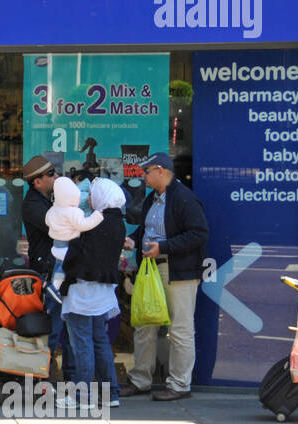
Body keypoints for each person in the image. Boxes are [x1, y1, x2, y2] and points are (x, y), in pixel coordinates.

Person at [121, 152, 208, 401]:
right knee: (144, 324)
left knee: (180, 329)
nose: (143, 176)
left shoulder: (184, 199)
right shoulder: (153, 199)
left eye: (147, 172)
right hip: (152, 268)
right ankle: (141, 380)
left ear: (161, 171)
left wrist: (164, 247)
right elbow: (147, 230)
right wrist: (134, 240)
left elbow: (199, 233)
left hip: (177, 270)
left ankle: (180, 384)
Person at [59, 178, 127, 409]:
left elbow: (75, 255)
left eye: (92, 193)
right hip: (103, 291)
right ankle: (111, 393)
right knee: (100, 341)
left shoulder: (94, 222)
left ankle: (81, 395)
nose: (89, 197)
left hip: (82, 290)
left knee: (82, 344)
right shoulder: (118, 222)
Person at [21, 154, 69, 376]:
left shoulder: (46, 200)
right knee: (50, 331)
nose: (56, 176)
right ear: (37, 181)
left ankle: (67, 376)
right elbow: (57, 226)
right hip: (48, 275)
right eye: (51, 174)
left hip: (58, 272)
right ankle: (41, 379)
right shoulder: (33, 205)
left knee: (66, 330)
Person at [45, 175, 104, 288]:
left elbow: (47, 221)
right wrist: (97, 216)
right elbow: (84, 225)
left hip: (56, 243)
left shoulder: (53, 209)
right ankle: (57, 286)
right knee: (65, 265)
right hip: (68, 244)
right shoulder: (73, 212)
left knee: (58, 263)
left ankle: (54, 283)